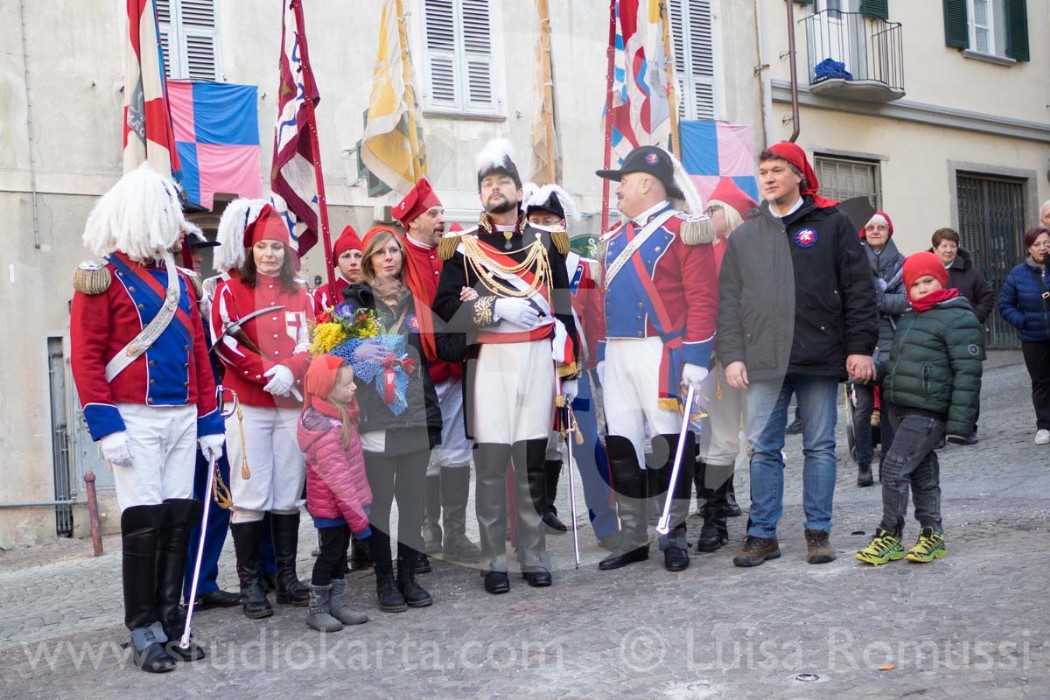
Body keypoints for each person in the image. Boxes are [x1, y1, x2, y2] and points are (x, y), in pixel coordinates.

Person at [70, 165, 225, 672]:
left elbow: (198, 356)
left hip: (183, 415)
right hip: (133, 416)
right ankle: (142, 628)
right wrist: (107, 425)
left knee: (178, 517)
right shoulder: (102, 276)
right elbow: (86, 357)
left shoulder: (183, 280)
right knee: (143, 523)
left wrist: (209, 421)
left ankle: (170, 619)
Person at [717, 142, 877, 567]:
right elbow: (728, 300)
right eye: (763, 172)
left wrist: (860, 347)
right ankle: (762, 535)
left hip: (818, 354)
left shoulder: (833, 224)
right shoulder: (746, 234)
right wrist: (732, 355)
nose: (768, 178)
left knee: (820, 446)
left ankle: (817, 533)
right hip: (761, 360)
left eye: (777, 170)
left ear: (799, 176)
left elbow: (859, 290)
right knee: (762, 448)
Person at [434, 138, 579, 594]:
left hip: (536, 359)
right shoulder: (462, 248)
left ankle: (532, 550)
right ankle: (494, 555)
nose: (494, 189)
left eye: (502, 181)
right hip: (489, 363)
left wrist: (569, 369)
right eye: (487, 184)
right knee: (493, 465)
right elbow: (446, 313)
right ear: (480, 195)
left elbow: (562, 310)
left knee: (531, 461)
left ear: (519, 190)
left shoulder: (547, 242)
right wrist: (494, 308)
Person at [593, 145, 718, 573]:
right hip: (618, 351)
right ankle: (633, 536)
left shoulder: (684, 230)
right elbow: (602, 303)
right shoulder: (612, 239)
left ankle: (673, 533)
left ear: (646, 183)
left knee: (669, 441)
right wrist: (600, 353)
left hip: (660, 351)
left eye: (623, 182)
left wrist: (696, 357)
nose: (618, 190)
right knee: (622, 440)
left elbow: (703, 299)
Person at [211, 199, 314, 619]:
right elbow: (224, 341)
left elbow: (310, 341)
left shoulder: (300, 293)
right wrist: (264, 371)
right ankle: (251, 584)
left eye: (277, 247)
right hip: (248, 404)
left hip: (289, 402)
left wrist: (291, 370)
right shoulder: (229, 289)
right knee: (250, 495)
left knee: (287, 492)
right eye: (262, 247)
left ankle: (287, 578)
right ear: (250, 250)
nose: (270, 254)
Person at [855, 252, 983, 565]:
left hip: (929, 411)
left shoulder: (958, 316)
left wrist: (961, 425)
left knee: (893, 467)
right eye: (915, 284)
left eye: (928, 281)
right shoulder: (911, 315)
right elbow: (901, 364)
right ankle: (932, 533)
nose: (922, 288)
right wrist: (876, 372)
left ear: (942, 280)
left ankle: (890, 535)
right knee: (921, 473)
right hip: (901, 407)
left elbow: (968, 372)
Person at [341, 229, 442, 611]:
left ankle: (408, 577)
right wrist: (358, 352)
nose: (389, 257)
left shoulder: (417, 301)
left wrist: (468, 307)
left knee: (413, 501)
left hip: (416, 414)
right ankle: (384, 579)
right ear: (369, 259)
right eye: (381, 252)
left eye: (395, 250)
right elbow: (335, 354)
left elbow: (442, 348)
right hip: (376, 417)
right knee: (381, 503)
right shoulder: (354, 302)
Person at [522, 182, 619, 549]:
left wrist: (599, 367)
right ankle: (529, 526)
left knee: (589, 446)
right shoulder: (516, 266)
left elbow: (595, 325)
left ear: (563, 225)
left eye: (550, 221)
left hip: (572, 373)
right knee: (531, 450)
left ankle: (606, 523)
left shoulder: (584, 268)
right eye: (536, 221)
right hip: (531, 371)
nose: (543, 227)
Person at [393, 178, 481, 567]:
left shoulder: (453, 256)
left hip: (456, 365)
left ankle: (456, 533)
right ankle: (430, 531)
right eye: (433, 213)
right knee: (425, 457)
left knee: (457, 453)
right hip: (419, 372)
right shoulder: (398, 258)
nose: (442, 219)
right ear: (412, 221)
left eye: (442, 212)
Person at [178, 229, 242, 611]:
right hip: (182, 413)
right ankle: (181, 588)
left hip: (213, 410)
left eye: (200, 252)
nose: (198, 258)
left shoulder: (204, 298)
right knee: (186, 506)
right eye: (190, 251)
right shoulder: (177, 298)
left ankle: (202, 581)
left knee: (216, 500)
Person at [693, 177, 757, 552]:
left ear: (731, 213)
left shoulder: (758, 249)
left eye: (713, 208)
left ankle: (762, 522)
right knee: (718, 441)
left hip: (757, 360)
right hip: (716, 360)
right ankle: (713, 522)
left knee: (762, 441)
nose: (707, 214)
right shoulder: (704, 251)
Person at [297, 355, 372, 631]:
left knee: (340, 556)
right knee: (329, 555)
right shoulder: (326, 432)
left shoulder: (341, 415)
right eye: (347, 383)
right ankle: (317, 609)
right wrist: (360, 522)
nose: (354, 387)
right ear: (328, 389)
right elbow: (339, 482)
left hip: (345, 506)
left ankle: (337, 604)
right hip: (332, 508)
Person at [853, 211, 907, 486]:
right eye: (871, 227)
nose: (875, 231)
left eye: (881, 227)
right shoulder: (851, 260)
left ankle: (887, 464)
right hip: (860, 341)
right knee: (862, 408)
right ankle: (864, 465)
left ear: (889, 232)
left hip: (892, 343)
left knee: (888, 407)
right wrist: (883, 300)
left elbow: (906, 301)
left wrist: (875, 299)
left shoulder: (903, 264)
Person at [997, 227, 1050, 445]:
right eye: (1037, 244)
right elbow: (1005, 304)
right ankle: (1044, 426)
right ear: (1029, 248)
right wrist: (1022, 321)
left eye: (1046, 243)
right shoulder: (1018, 274)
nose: (1042, 248)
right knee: (1041, 382)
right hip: (1033, 338)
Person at [311, 225, 364, 315]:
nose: (353, 262)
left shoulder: (375, 292)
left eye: (358, 256)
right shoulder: (323, 295)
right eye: (346, 256)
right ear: (337, 262)